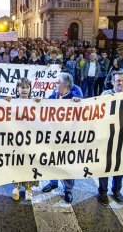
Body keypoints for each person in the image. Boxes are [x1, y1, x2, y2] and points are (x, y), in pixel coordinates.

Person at [41, 73, 82, 203]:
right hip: (53, 137)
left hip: (68, 139)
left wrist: (79, 103)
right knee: (51, 160)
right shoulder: (52, 97)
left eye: (57, 82)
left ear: (66, 85)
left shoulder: (74, 98)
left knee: (67, 164)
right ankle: (53, 182)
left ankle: (68, 190)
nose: (54, 84)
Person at [5, 78, 39, 201]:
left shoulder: (35, 102)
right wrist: (6, 102)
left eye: (27, 87)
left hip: (30, 139)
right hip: (16, 140)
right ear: (17, 89)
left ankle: (28, 187)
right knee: (17, 162)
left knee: (29, 163)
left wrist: (40, 104)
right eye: (22, 87)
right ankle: (17, 186)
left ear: (30, 89)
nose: (24, 89)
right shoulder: (12, 101)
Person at [98, 71, 123, 206]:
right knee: (104, 164)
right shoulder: (105, 95)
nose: (120, 83)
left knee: (119, 165)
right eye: (118, 81)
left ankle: (116, 191)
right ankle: (103, 192)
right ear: (112, 82)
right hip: (107, 136)